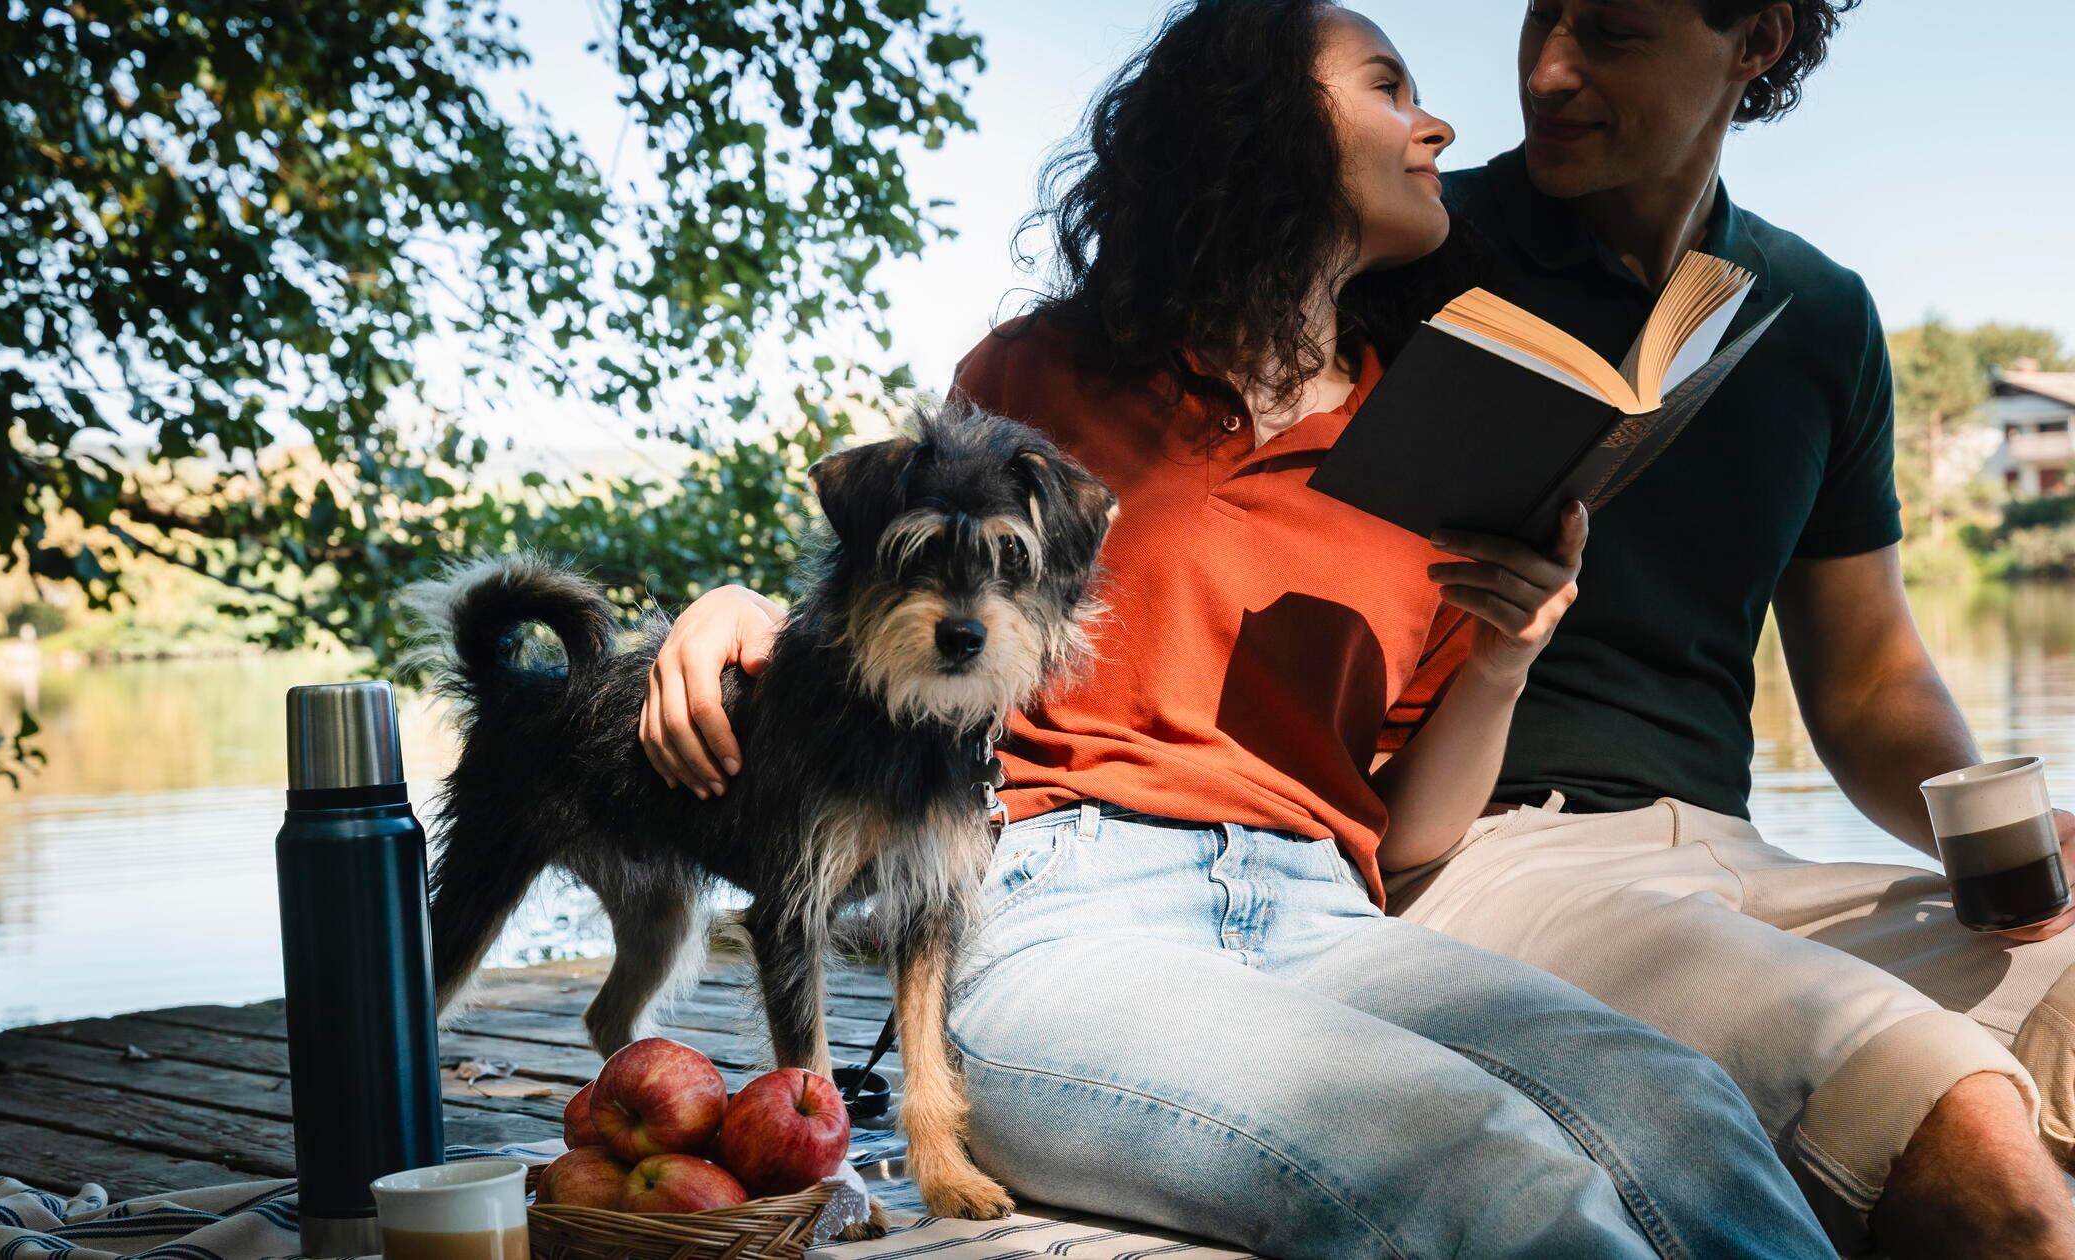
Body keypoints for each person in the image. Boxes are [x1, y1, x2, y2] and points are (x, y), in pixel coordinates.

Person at [635, 3, 1834, 1254]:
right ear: (1257, 121)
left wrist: (1506, 654)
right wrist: (743, 611)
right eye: (1388, 87)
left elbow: (1409, 835)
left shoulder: (1429, 443)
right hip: (1062, 913)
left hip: (1329, 916)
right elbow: (920, 610)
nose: (1437, 125)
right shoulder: (1041, 374)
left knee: (1681, 1109)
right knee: (1472, 1159)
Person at [1381, 2, 2075, 1256]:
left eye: (1611, 32)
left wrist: (1999, 840)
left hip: (1736, 860)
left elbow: (1865, 681)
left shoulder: (1816, 313)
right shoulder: (1407, 248)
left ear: (1753, 40)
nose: (1546, 71)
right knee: (1958, 1124)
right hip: (1473, 865)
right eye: (1538, 16)